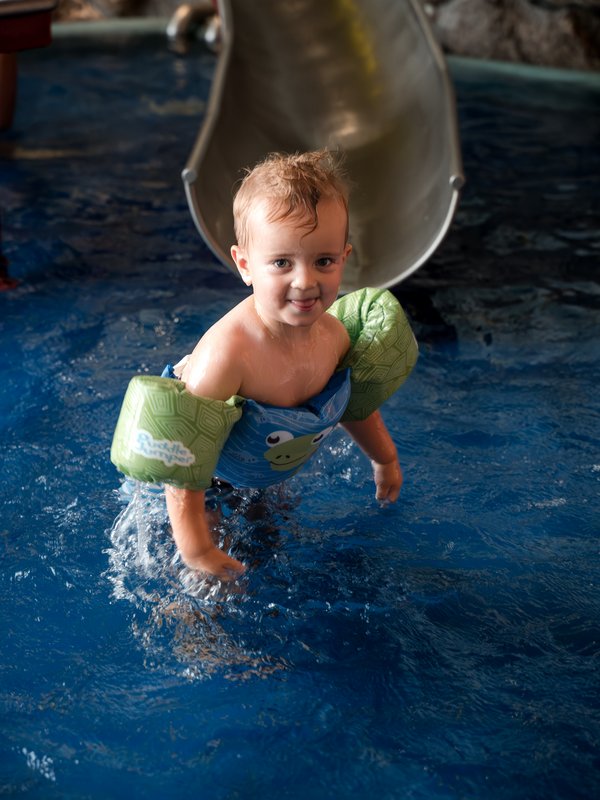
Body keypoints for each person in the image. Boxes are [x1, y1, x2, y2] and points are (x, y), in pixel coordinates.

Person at [112, 150, 416, 581]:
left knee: (266, 546)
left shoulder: (333, 337)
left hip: (255, 466)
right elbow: (184, 459)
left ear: (345, 259)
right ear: (244, 265)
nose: (305, 281)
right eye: (282, 263)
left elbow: (353, 402)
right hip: (200, 477)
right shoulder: (229, 354)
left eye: (323, 261)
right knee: (205, 580)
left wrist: (384, 458)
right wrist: (196, 548)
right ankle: (194, 633)